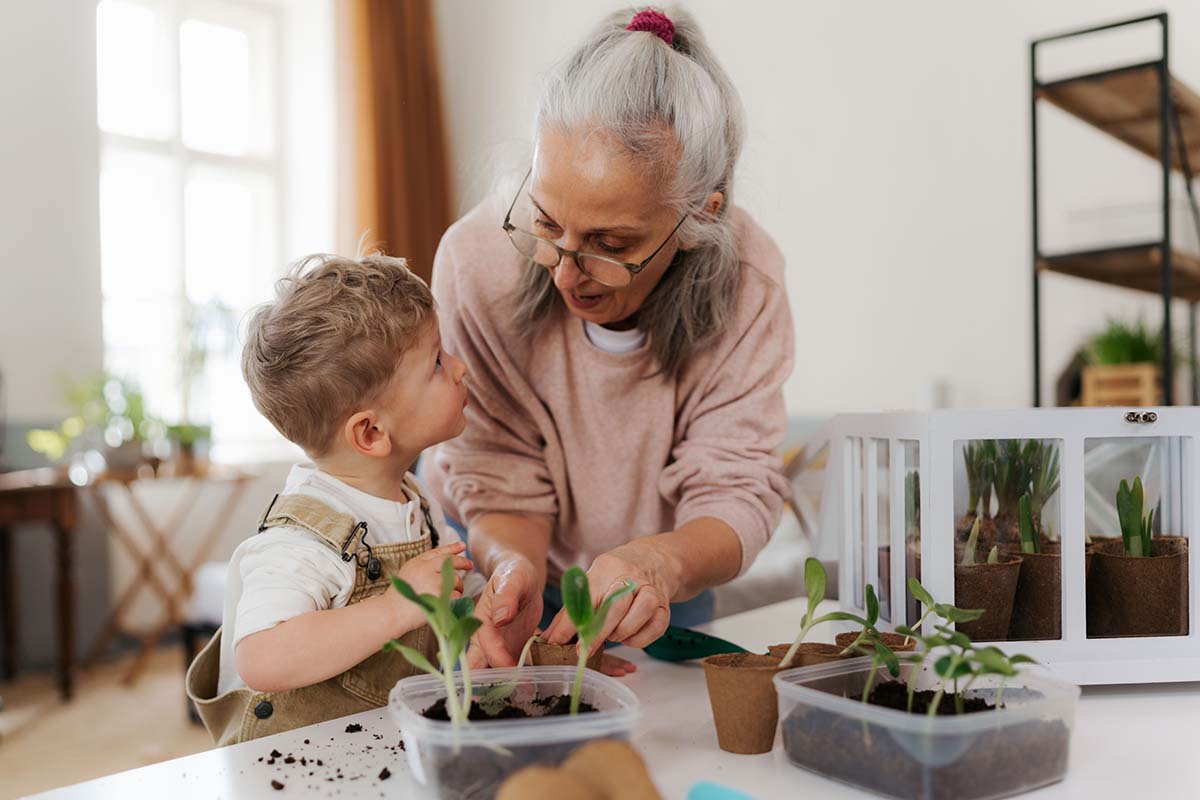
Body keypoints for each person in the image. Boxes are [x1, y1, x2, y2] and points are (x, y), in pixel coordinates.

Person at [424, 6, 794, 672]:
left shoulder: (749, 281)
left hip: (660, 578)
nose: (565, 270)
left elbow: (735, 490)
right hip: (491, 548)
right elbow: (496, 471)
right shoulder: (475, 261)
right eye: (545, 223)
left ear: (696, 218)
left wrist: (657, 564)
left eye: (611, 244)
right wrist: (511, 573)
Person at [186, 253, 478, 745]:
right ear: (370, 433)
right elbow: (260, 656)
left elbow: (446, 603)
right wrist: (396, 607)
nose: (460, 368)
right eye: (435, 362)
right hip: (286, 769)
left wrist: (487, 613)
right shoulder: (302, 540)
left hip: (374, 750)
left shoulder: (416, 500)